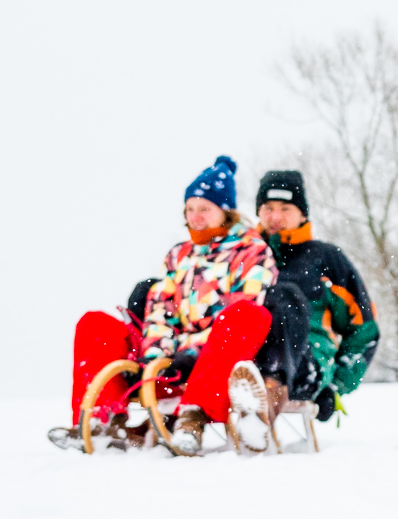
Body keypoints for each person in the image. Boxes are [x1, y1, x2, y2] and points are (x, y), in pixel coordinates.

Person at [56, 156, 278, 453]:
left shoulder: (253, 251)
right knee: (95, 323)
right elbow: (160, 309)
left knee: (250, 316)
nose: (195, 216)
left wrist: (192, 353)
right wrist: (157, 355)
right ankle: (101, 421)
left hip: (214, 363)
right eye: (190, 208)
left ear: (225, 211)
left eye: (204, 209)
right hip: (165, 365)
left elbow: (243, 305)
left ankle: (193, 416)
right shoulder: (178, 255)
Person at [252, 170, 379, 420]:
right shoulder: (246, 256)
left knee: (284, 297)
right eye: (268, 207)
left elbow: (364, 329)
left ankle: (272, 383)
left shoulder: (326, 260)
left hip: (304, 364)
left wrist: (335, 385)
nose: (275, 216)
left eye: (285, 208)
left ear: (303, 213)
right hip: (248, 358)